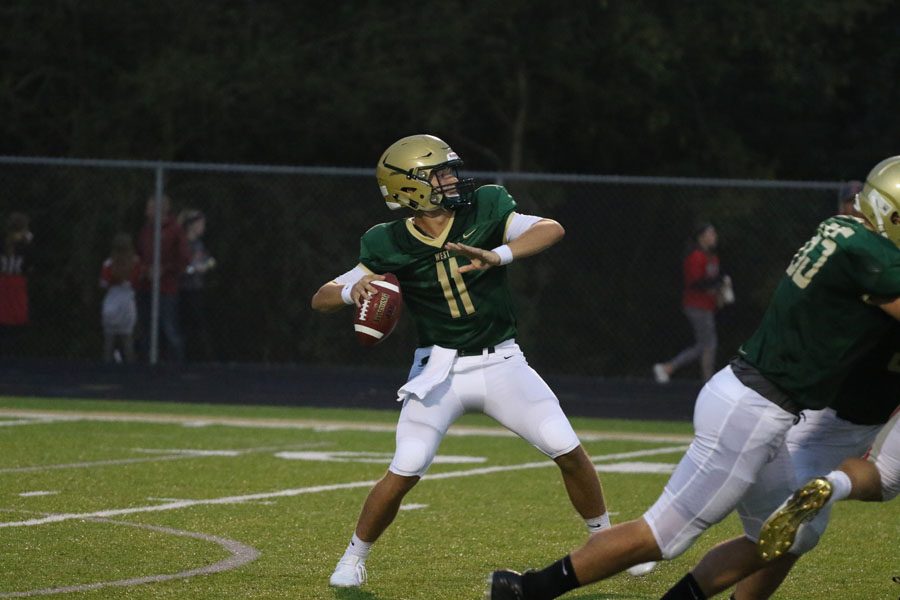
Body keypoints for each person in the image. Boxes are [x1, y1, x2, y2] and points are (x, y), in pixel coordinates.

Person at [486, 155, 900, 600]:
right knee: (663, 535)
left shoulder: (845, 234)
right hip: (754, 410)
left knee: (791, 535)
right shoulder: (871, 255)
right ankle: (526, 590)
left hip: (756, 402)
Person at [312, 134, 613, 589]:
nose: (453, 179)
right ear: (411, 187)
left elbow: (551, 228)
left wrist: (500, 253)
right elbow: (321, 298)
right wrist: (353, 290)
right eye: (440, 173)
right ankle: (353, 557)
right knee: (406, 466)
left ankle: (608, 543)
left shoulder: (486, 206)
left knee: (566, 448)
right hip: (439, 370)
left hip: (502, 362)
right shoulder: (387, 241)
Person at [669, 323, 899, 600]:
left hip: (839, 412)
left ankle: (831, 485)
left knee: (789, 532)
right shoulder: (872, 290)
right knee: (784, 533)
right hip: (811, 413)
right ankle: (833, 485)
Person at [654, 222, 733, 384]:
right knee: (708, 344)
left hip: (706, 305)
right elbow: (696, 282)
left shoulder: (712, 257)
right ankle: (704, 379)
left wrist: (720, 289)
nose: (714, 237)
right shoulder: (696, 256)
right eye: (711, 234)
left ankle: (671, 368)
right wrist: (718, 284)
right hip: (697, 305)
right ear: (701, 237)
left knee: (704, 345)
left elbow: (712, 280)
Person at [135, 194, 190, 364]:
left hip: (166, 287)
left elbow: (183, 258)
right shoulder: (146, 230)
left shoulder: (174, 230)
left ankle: (177, 367)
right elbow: (138, 255)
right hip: (145, 286)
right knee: (145, 329)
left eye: (150, 208)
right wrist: (144, 270)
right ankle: (146, 366)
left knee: (169, 328)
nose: (146, 212)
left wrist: (164, 270)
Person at [177, 209, 216, 362]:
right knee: (185, 326)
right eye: (200, 224)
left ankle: (202, 358)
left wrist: (207, 265)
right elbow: (179, 266)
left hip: (197, 289)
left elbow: (209, 260)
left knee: (199, 325)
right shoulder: (182, 244)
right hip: (184, 290)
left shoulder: (199, 244)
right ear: (191, 225)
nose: (203, 227)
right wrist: (193, 269)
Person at [99, 233, 142, 363]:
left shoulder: (109, 263)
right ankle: (130, 370)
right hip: (127, 301)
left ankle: (106, 368)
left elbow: (103, 283)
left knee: (109, 340)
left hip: (112, 300)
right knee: (127, 339)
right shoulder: (135, 262)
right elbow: (138, 281)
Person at [0, 212, 33, 356]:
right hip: (16, 286)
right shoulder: (25, 247)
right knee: (14, 327)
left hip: (4, 285)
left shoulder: (3, 242)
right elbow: (30, 267)